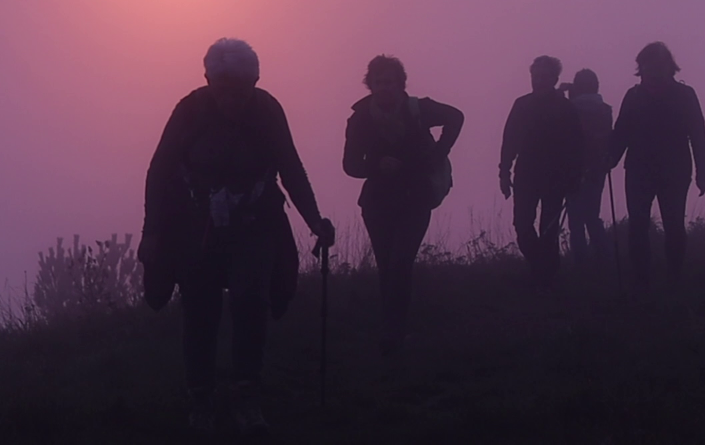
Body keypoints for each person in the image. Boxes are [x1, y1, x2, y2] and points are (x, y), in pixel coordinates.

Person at [137, 38, 336, 437]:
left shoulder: (267, 111)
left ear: (255, 81)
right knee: (200, 309)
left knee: (251, 301)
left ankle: (247, 395)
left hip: (256, 223)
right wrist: (153, 231)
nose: (232, 95)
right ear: (209, 79)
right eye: (224, 85)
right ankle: (201, 399)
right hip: (196, 226)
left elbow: (289, 167)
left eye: (241, 85)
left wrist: (315, 220)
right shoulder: (190, 111)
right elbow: (160, 170)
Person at [343, 55, 464, 355]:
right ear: (371, 85)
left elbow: (456, 117)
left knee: (399, 263)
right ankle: (392, 328)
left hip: (415, 197)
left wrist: (438, 154)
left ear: (400, 84)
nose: (385, 87)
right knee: (387, 266)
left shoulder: (418, 109)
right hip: (378, 202)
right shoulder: (359, 118)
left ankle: (394, 330)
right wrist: (376, 167)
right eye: (379, 82)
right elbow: (349, 165)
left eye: (390, 82)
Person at [609, 42, 705, 290]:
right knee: (638, 226)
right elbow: (621, 134)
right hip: (640, 170)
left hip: (672, 171)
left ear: (669, 67)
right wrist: (606, 161)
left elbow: (698, 135)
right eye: (648, 65)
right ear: (641, 68)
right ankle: (642, 279)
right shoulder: (634, 96)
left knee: (673, 225)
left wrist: (704, 172)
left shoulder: (684, 96)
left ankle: (672, 277)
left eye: (657, 65)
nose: (653, 70)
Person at [500, 56, 584, 288]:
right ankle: (544, 270)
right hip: (526, 174)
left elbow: (576, 145)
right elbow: (509, 140)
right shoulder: (522, 104)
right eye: (535, 76)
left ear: (554, 79)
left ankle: (546, 278)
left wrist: (575, 176)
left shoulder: (566, 108)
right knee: (522, 226)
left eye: (543, 76)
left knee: (549, 230)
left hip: (556, 176)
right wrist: (504, 172)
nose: (538, 81)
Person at [560, 69, 612, 272]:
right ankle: (604, 259)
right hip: (597, 169)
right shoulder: (605, 110)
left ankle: (581, 265)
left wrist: (560, 93)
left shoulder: (570, 110)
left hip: (574, 168)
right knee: (592, 215)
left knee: (576, 219)